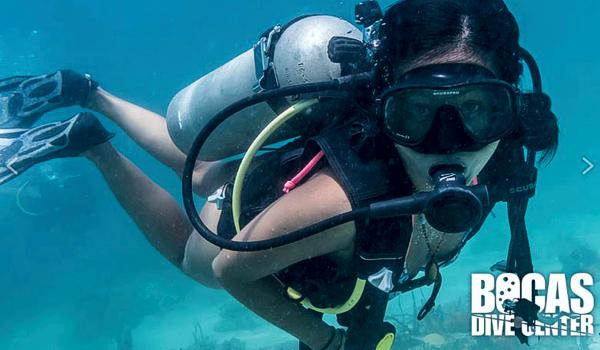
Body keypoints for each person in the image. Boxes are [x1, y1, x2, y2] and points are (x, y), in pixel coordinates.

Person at [0, 0, 559, 349]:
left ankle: (88, 92)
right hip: (256, 211)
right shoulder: (341, 204)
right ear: (386, 106)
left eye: (478, 110)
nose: (450, 146)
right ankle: (94, 144)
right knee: (192, 257)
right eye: (417, 113)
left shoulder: (509, 154)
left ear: (513, 109)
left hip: (277, 178)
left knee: (205, 174)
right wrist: (322, 342)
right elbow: (231, 268)